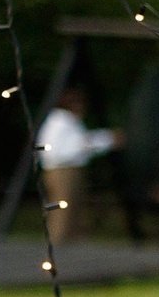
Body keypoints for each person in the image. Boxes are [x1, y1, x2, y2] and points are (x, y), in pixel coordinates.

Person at [37, 86, 117, 246]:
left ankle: (73, 246)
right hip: (63, 170)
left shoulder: (64, 121)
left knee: (74, 211)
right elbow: (76, 146)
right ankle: (57, 246)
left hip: (66, 170)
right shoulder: (61, 121)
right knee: (63, 211)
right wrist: (106, 140)